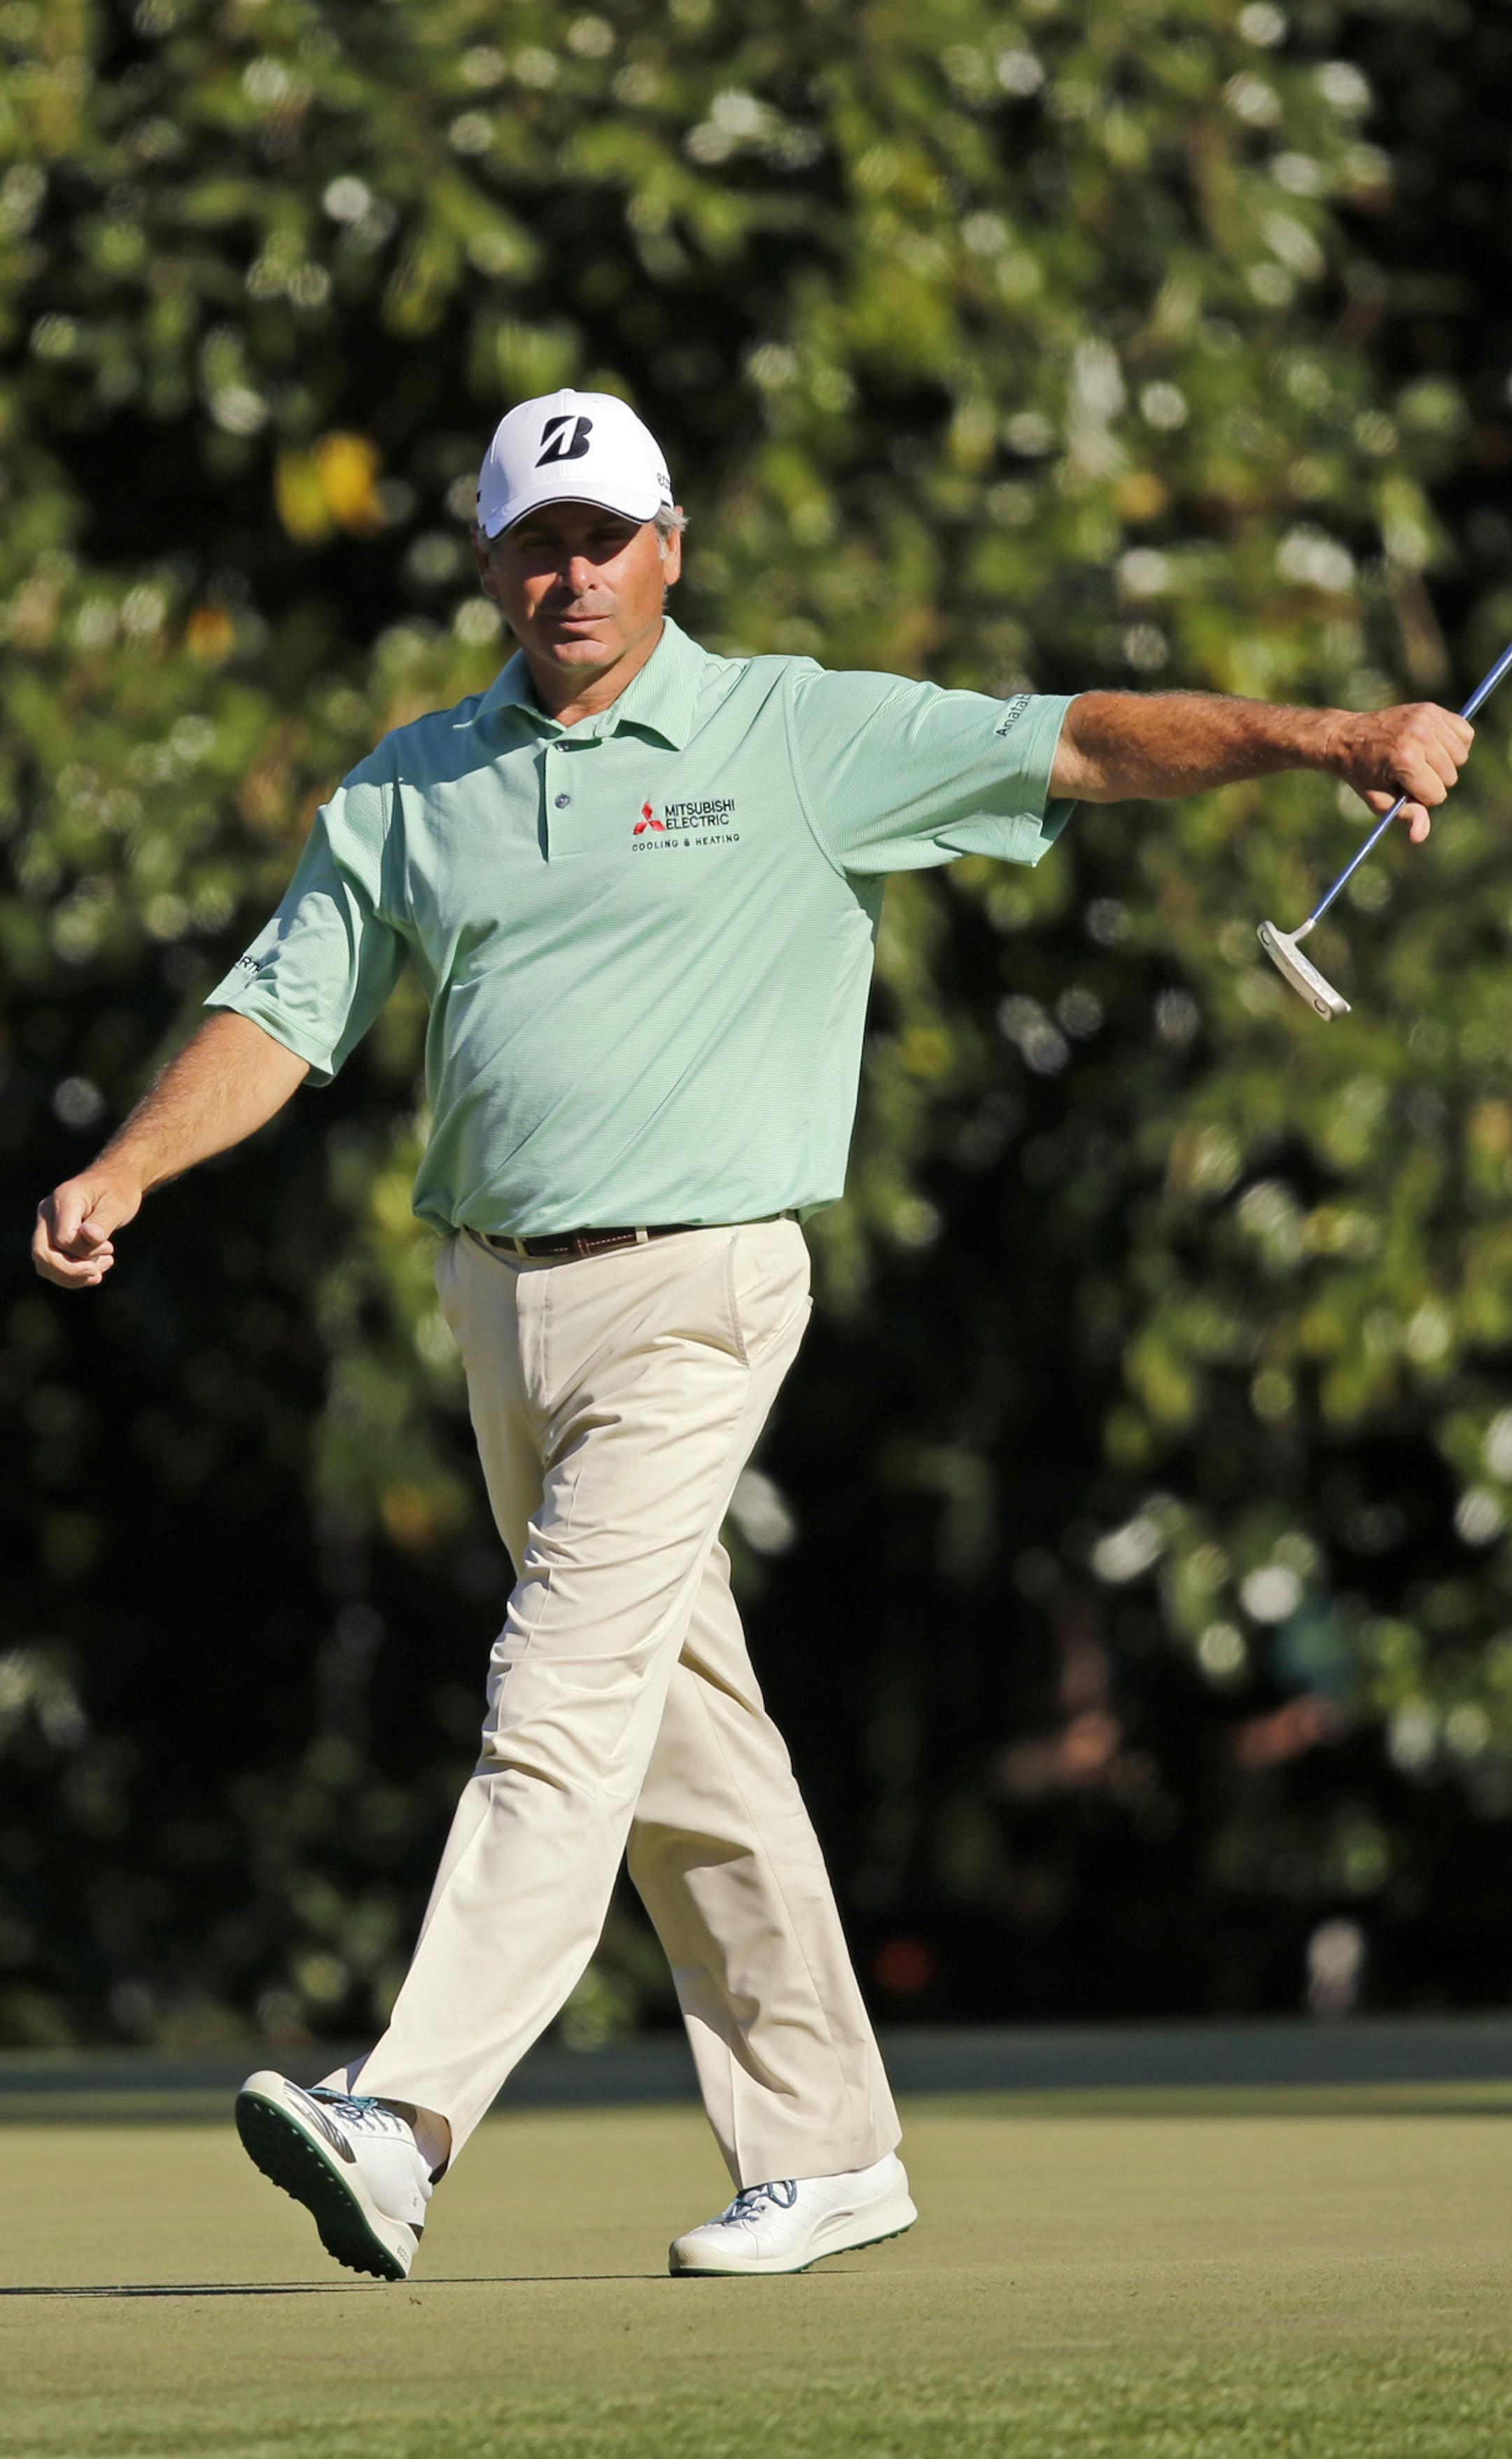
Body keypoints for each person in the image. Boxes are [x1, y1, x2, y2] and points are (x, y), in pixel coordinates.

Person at [33, 388, 1473, 2283]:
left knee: (558, 1702)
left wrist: (1334, 739)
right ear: (490, 565)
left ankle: (406, 2116)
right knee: (679, 1736)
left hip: (697, 1295)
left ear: (670, 548)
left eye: (604, 538)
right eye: (538, 544)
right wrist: (127, 1166)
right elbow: (282, 1011)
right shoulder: (412, 785)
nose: (573, 575)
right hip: (498, 1306)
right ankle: (827, 2148)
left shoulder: (793, 731)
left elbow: (1079, 741)